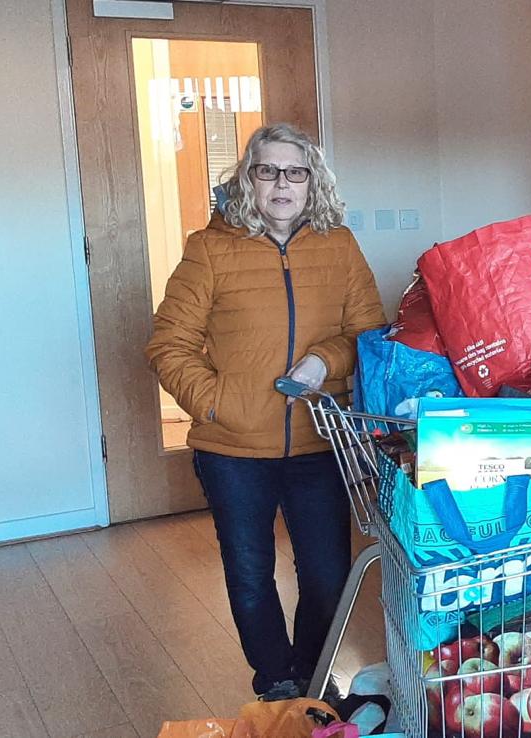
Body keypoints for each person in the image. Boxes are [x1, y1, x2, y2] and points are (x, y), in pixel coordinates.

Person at [146, 123, 385, 701]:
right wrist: (215, 402)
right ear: (248, 178)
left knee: (328, 576)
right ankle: (276, 682)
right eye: (267, 170)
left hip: (319, 439)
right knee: (250, 576)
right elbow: (167, 343)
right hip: (231, 449)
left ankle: (312, 676)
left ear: (313, 182)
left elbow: (369, 335)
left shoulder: (339, 245)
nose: (282, 183)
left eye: (295, 171)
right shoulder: (211, 247)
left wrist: (322, 363)